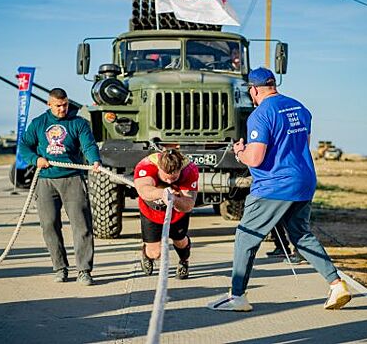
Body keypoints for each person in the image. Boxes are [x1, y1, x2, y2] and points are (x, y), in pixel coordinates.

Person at [208, 67, 351, 311]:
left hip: (274, 185)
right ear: (274, 84)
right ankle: (337, 284)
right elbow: (301, 146)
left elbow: (255, 158)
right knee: (301, 235)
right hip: (304, 179)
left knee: (246, 236)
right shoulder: (300, 108)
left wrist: (240, 152)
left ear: (253, 90)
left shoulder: (261, 114)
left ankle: (238, 297)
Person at [19, 88, 101, 286]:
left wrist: (95, 161)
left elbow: (88, 146)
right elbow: (24, 146)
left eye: (65, 104)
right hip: (46, 180)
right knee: (49, 225)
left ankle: (84, 270)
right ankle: (60, 268)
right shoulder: (39, 123)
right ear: (49, 104)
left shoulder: (78, 123)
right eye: (58, 106)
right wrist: (35, 159)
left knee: (81, 225)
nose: (62, 109)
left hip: (72, 178)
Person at [134, 149, 199, 279]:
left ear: (180, 169)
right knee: (155, 253)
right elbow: (143, 190)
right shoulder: (146, 165)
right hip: (151, 211)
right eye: (165, 178)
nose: (169, 182)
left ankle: (184, 261)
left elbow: (188, 204)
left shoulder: (190, 170)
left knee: (180, 241)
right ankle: (147, 254)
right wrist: (162, 193)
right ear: (159, 168)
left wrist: (174, 199)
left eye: (174, 178)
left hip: (177, 212)